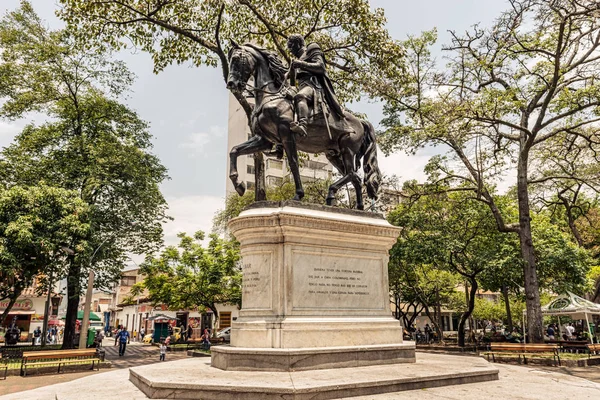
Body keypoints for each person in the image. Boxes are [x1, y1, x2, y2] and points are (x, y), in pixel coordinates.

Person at [286, 34, 345, 137]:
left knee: (300, 96)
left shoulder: (311, 48)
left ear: (298, 43)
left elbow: (321, 67)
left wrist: (301, 64)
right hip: (300, 86)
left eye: (291, 46)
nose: (290, 50)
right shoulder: (296, 61)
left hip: (312, 86)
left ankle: (303, 125)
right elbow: (288, 78)